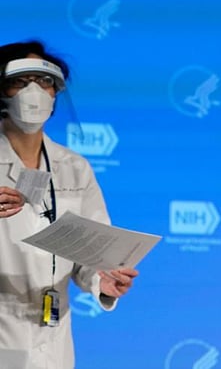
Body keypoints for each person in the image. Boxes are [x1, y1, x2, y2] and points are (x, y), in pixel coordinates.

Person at [0, 40, 139, 369]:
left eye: (43, 81)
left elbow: (93, 251)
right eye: (21, 81)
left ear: (55, 93)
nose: (33, 92)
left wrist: (102, 281)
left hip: (53, 340)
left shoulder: (74, 167)